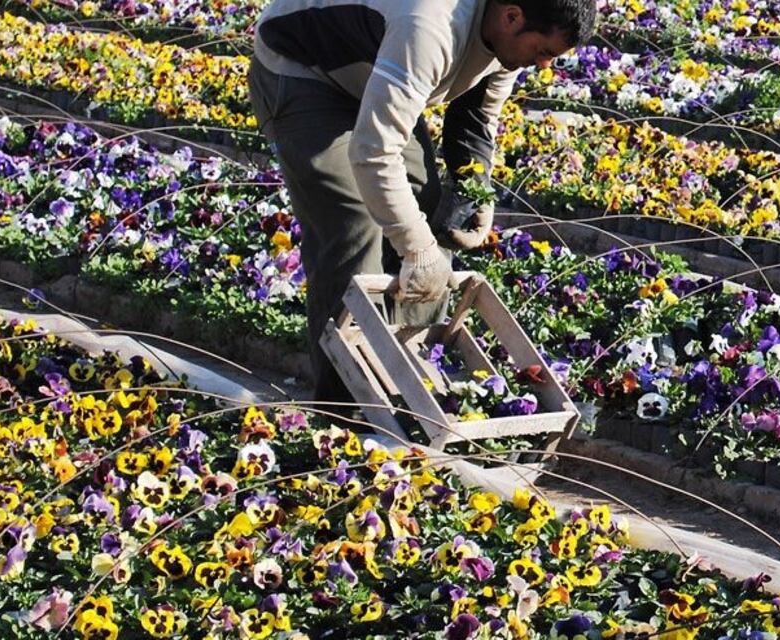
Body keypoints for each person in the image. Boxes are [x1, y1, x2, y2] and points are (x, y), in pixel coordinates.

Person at [248, 0, 597, 402]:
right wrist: (417, 249)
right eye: (543, 52)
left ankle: (411, 383)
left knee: (428, 209)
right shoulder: (430, 28)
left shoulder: (506, 44)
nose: (543, 65)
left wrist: (475, 191)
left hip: (372, 73)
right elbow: (374, 152)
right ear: (513, 16)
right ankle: (348, 407)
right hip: (305, 70)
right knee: (354, 220)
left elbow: (477, 119)